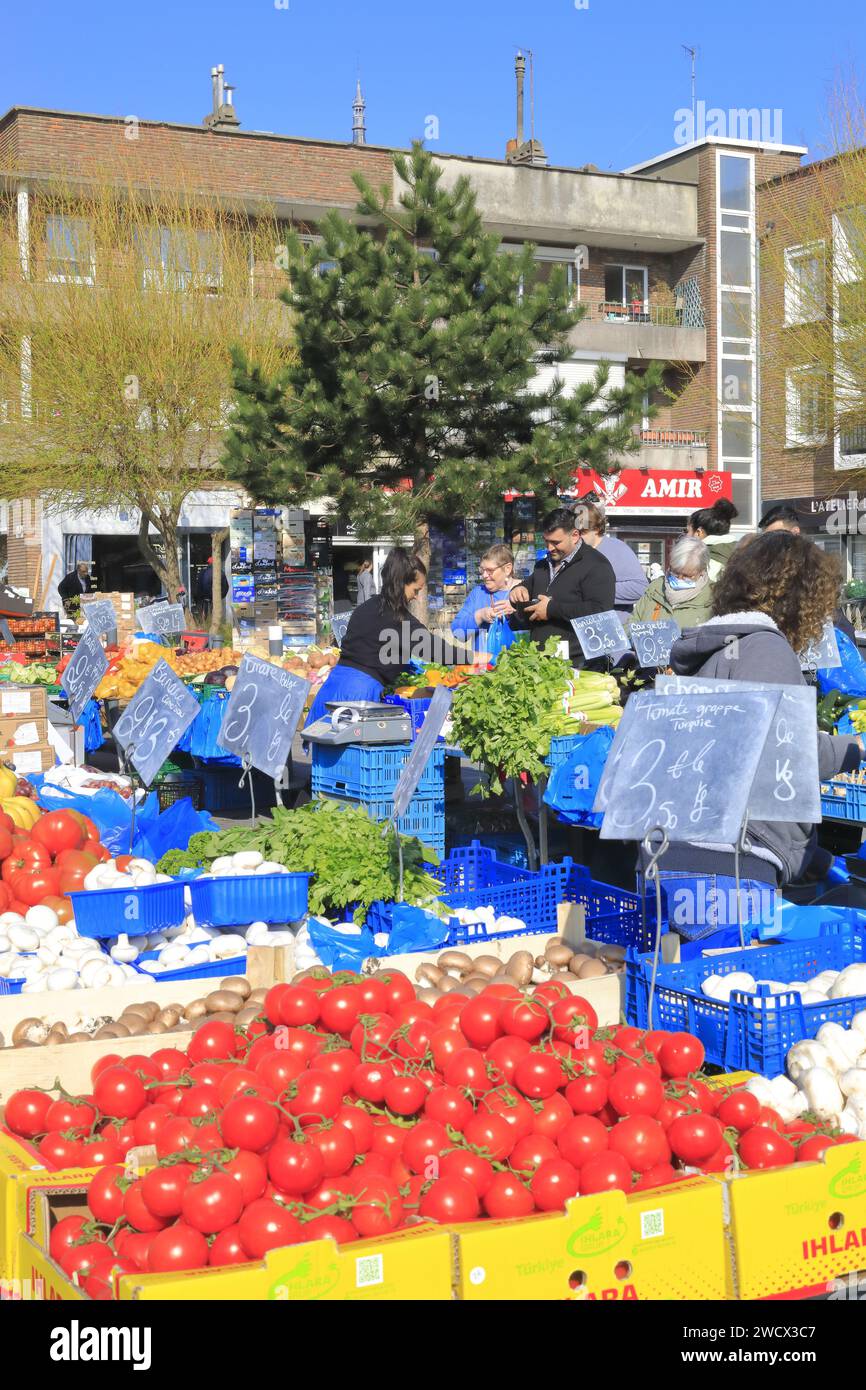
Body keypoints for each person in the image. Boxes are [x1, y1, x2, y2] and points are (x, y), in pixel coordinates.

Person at [649, 531, 862, 952]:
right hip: (729, 861)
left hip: (688, 852)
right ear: (799, 597)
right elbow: (791, 754)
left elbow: (739, 760)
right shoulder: (765, 649)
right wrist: (853, 749)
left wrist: (812, 858)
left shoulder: (718, 647)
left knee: (703, 982)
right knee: (734, 986)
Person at [304, 547, 458, 727]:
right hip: (356, 697)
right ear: (402, 583)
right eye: (415, 590)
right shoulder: (395, 617)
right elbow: (435, 649)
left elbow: (373, 650)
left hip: (333, 688)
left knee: (328, 751)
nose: (416, 597)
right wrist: (473, 658)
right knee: (353, 752)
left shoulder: (367, 608)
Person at [509, 507, 615, 666]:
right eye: (546, 541)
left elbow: (601, 611)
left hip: (580, 664)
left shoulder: (597, 565)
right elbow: (528, 587)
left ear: (574, 536)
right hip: (540, 661)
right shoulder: (542, 565)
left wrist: (552, 609)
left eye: (556, 542)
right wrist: (518, 590)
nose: (550, 548)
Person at [572, 501, 648, 612]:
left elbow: (640, 588)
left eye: (582, 532)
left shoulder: (618, 549)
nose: (577, 538)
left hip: (613, 625)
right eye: (573, 533)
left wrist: (594, 592)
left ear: (597, 529)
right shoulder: (568, 552)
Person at [629, 536, 713, 631]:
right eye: (675, 572)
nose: (679, 579)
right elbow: (633, 623)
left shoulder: (714, 596)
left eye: (687, 576)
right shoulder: (655, 588)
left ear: (702, 571)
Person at [451, 544, 520, 649]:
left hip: (521, 662)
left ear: (507, 569)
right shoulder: (478, 594)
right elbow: (457, 633)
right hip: (485, 664)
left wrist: (518, 611)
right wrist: (479, 616)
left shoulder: (525, 591)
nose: (484, 575)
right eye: (482, 570)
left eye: (490, 571)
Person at [687, 497, 739, 579]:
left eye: (687, 531)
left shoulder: (707, 561)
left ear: (699, 532)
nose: (686, 536)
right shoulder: (742, 550)